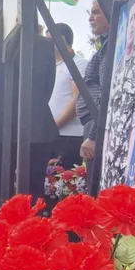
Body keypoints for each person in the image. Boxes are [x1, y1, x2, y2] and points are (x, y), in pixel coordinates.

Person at [0, 12, 57, 207]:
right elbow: (48, 86)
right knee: (35, 194)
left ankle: (1, 235)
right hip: (37, 124)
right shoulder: (45, 46)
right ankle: (33, 235)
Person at [76, 0, 126, 181]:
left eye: (96, 12)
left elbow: (108, 94)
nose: (90, 18)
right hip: (95, 127)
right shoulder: (106, 47)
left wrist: (94, 136)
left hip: (101, 131)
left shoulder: (114, 48)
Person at [102, 0, 135, 188]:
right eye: (130, 18)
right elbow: (109, 121)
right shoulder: (117, 67)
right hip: (108, 159)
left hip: (123, 158)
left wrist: (129, 165)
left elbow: (134, 120)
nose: (132, 23)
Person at [46, 23, 89, 169]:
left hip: (69, 137)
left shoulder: (78, 64)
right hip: (49, 136)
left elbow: (77, 99)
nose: (46, 45)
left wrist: (54, 126)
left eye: (48, 40)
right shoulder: (51, 67)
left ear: (61, 39)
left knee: (62, 185)